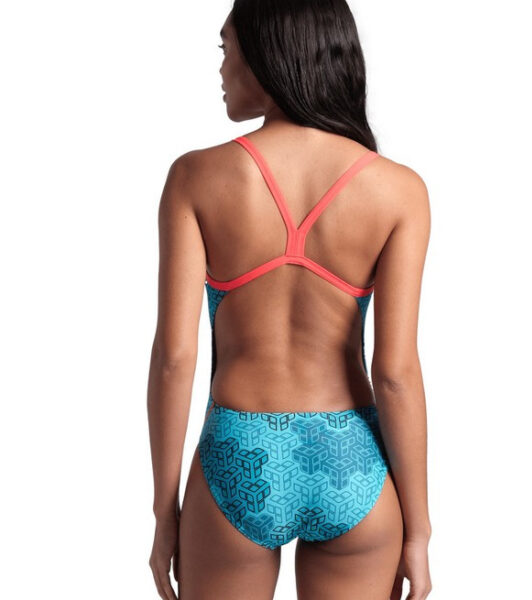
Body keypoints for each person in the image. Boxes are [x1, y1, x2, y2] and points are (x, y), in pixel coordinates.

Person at [147, 1, 432, 598]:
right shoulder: (399, 189)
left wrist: (164, 511)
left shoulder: (196, 177)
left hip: (237, 455)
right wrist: (419, 531)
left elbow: (175, 358)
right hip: (350, 460)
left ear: (266, 53)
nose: (221, 66)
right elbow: (396, 373)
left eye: (226, 48)